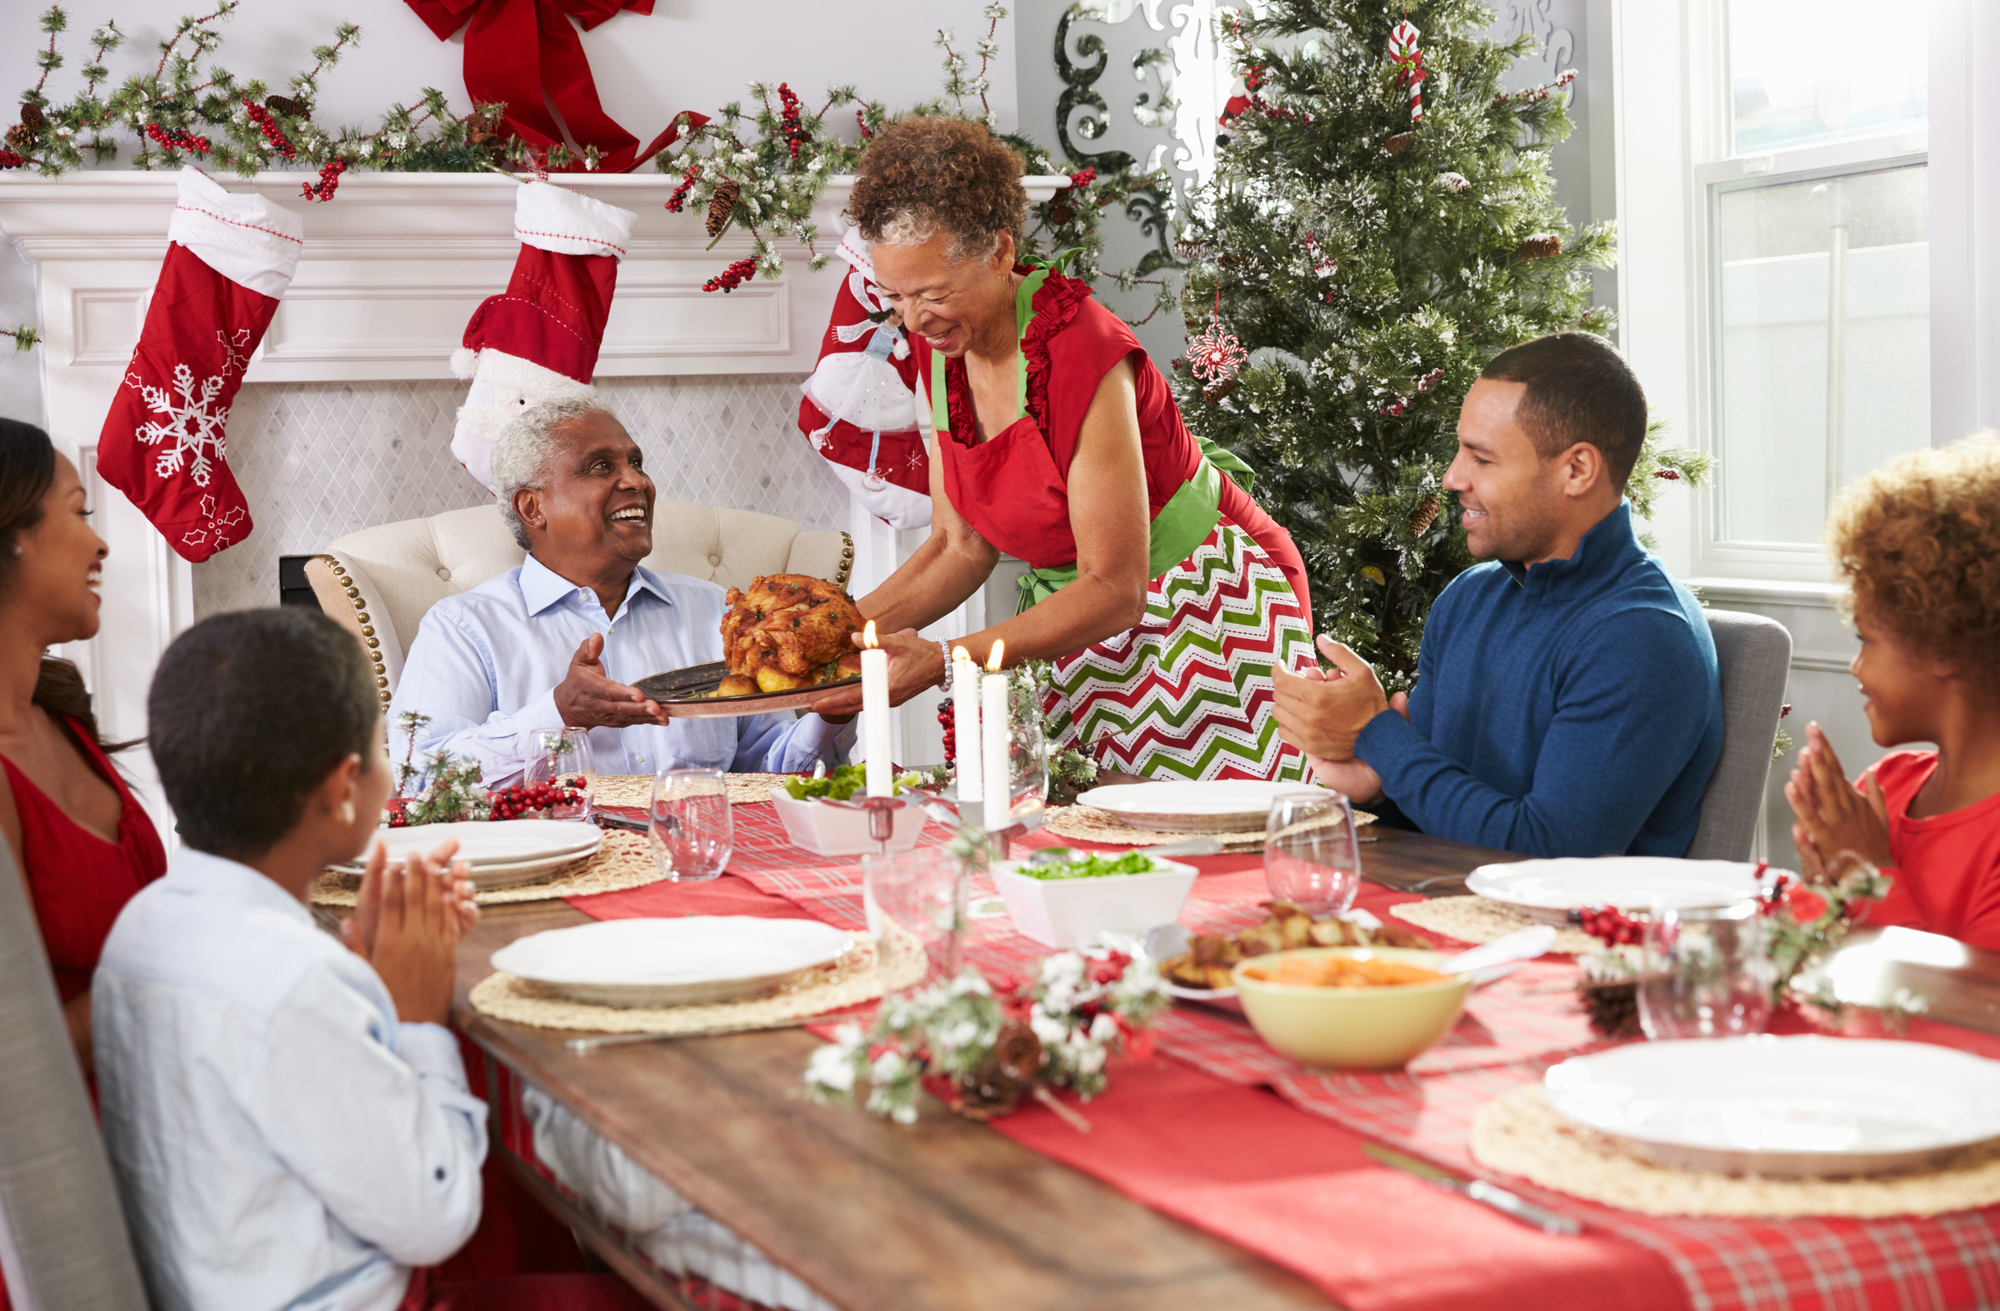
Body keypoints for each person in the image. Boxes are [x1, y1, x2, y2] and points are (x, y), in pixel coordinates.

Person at [93, 608, 644, 1311]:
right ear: (343, 786)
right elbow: (436, 1215)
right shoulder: (296, 976)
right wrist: (415, 1021)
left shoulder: (143, 924)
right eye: (382, 746)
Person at [812, 116, 1316, 781]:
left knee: (1201, 853)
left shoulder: (1081, 350)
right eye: (896, 296)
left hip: (1198, 605)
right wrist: (821, 638)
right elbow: (958, 547)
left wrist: (943, 659)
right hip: (1083, 612)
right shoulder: (942, 354)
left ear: (998, 250)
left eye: (933, 293)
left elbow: (1114, 587)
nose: (913, 320)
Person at [1272, 333, 1724, 857]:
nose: (1451, 478)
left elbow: (1549, 855)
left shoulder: (1642, 634)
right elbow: (1446, 820)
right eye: (1460, 451)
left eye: (1482, 460)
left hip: (1561, 931)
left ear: (1576, 470)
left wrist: (1379, 734)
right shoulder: (1468, 599)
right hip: (1432, 908)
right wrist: (1378, 783)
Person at [394, 397, 854, 784]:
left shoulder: (715, 612)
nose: (637, 481)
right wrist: (559, 713)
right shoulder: (463, 627)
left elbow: (769, 771)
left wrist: (832, 717)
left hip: (701, 862)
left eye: (636, 463)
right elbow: (420, 781)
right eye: (600, 467)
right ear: (533, 506)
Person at [1785, 436, 2000, 948]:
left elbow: (1973, 1012)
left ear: (1943, 642)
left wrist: (1867, 878)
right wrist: (1824, 896)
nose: (1856, 666)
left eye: (1867, 639)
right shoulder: (1885, 790)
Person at [0, 417, 166, 1078]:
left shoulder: (60, 715)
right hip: (81, 1166)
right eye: (79, 511)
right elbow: (14, 1058)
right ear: (14, 538)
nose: (100, 542)